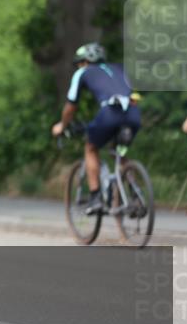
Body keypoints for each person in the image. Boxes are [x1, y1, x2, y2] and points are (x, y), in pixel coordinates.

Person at [51, 42, 141, 215]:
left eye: (79, 63)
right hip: (133, 113)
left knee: (90, 148)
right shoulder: (119, 68)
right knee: (119, 152)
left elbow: (71, 105)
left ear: (85, 61)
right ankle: (136, 194)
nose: (79, 67)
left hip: (110, 112)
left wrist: (62, 125)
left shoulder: (82, 72)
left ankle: (95, 198)